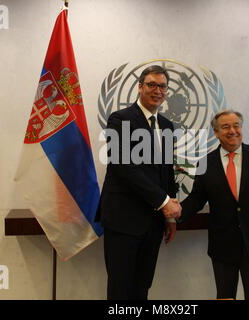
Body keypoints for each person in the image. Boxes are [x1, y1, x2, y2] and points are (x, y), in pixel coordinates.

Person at [96, 65, 181, 300]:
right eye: (151, 84)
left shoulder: (166, 125)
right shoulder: (119, 119)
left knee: (142, 285)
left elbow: (166, 172)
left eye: (162, 86)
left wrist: (170, 216)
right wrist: (164, 202)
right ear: (140, 87)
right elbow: (125, 167)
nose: (157, 90)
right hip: (123, 220)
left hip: (153, 222)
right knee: (120, 287)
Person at [178, 110, 249, 300]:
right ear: (216, 133)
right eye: (225, 127)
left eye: (236, 125)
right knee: (225, 296)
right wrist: (175, 212)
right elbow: (196, 199)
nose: (232, 131)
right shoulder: (205, 162)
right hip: (223, 244)